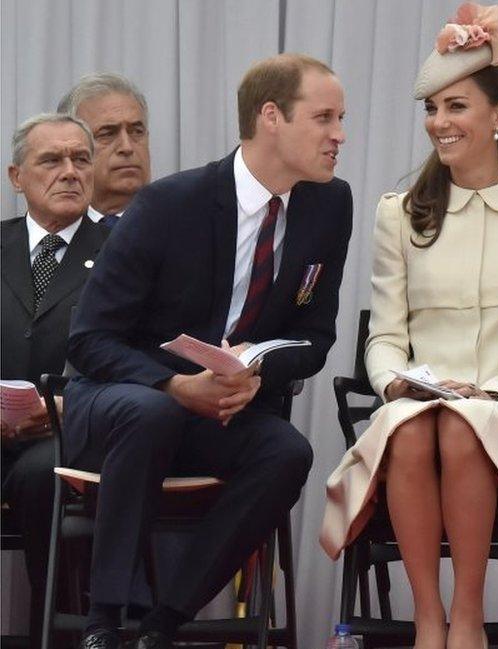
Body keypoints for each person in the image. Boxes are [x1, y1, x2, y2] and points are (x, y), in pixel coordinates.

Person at [65, 53, 351, 649]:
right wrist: (173, 386)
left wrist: (257, 368)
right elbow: (89, 339)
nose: (338, 135)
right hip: (126, 402)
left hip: (220, 408)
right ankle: (104, 622)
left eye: (340, 119)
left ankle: (164, 622)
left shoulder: (330, 204)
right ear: (271, 117)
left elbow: (316, 336)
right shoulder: (171, 204)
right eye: (323, 118)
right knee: (155, 412)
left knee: (286, 452)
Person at [321, 5, 498, 649]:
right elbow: (384, 336)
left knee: (463, 429)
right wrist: (392, 387)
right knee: (415, 432)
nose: (439, 122)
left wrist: (493, 393)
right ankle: (427, 619)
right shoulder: (399, 214)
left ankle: (468, 617)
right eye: (432, 109)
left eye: (456, 107)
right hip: (418, 404)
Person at [1, 112, 106, 648]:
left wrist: (68, 408)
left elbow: (136, 356)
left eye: (80, 159)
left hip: (74, 430)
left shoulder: (122, 250)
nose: (69, 171)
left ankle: (59, 633)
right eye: (51, 160)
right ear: (17, 176)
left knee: (44, 473)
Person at [57, 72, 152, 227]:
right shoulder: (48, 238)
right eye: (107, 134)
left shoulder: (187, 229)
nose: (127, 147)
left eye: (136, 131)